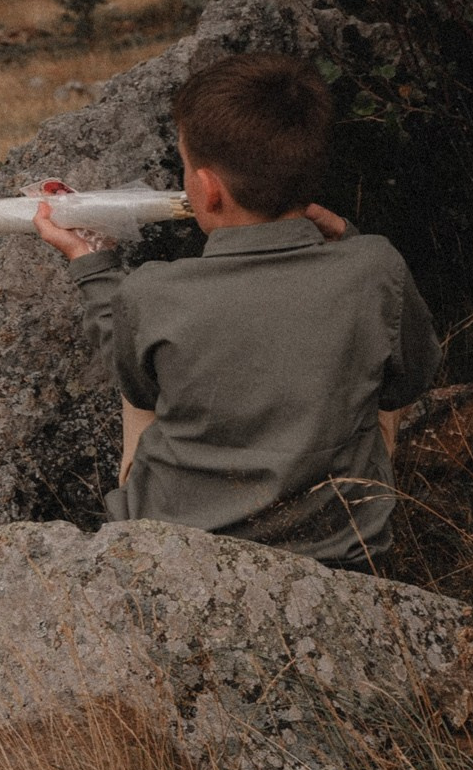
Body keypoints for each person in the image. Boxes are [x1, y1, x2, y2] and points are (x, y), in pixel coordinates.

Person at [35, 52, 441, 572]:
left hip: (180, 552)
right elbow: (412, 378)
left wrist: (91, 265)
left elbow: (135, 381)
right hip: (338, 554)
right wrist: (349, 241)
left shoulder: (152, 291)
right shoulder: (376, 267)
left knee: (141, 390)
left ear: (208, 188)